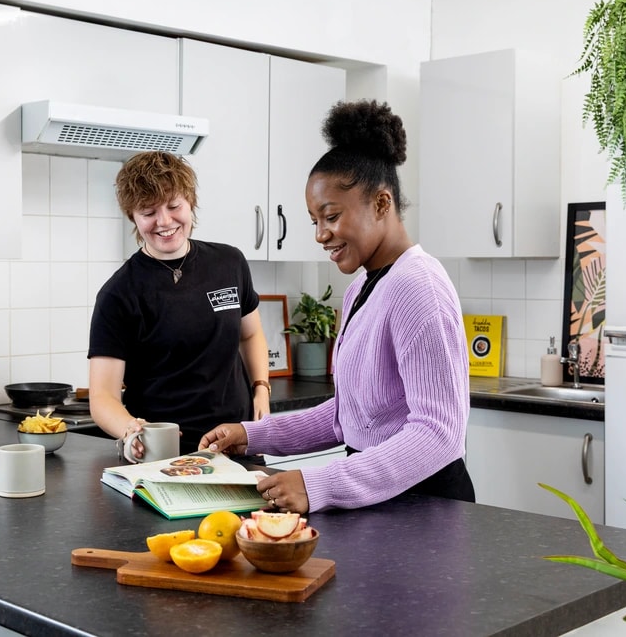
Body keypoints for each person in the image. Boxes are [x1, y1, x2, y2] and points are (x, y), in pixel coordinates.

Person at [200, 100, 474, 513]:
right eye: (314, 220)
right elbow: (351, 414)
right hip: (384, 499)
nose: (320, 235)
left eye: (330, 216)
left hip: (426, 504)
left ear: (382, 204)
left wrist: (319, 483)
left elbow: (439, 433)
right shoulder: (363, 286)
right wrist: (251, 434)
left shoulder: (419, 286)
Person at [87, 151, 271, 457]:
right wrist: (131, 429)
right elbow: (103, 396)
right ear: (132, 215)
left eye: (174, 206)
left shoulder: (230, 262)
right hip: (167, 457)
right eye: (148, 212)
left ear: (191, 202)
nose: (164, 222)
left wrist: (261, 389)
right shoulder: (119, 294)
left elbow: (250, 334)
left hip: (238, 446)